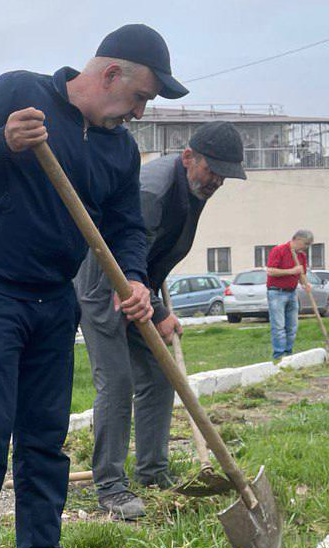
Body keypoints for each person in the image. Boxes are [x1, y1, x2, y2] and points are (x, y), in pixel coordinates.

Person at [0, 24, 186, 548]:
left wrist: (136, 280)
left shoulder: (120, 151)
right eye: (141, 96)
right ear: (110, 74)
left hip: (55, 299)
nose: (141, 113)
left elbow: (125, 229)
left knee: (45, 436)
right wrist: (0, 140)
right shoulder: (21, 93)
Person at [75, 121, 246, 519]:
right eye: (213, 170)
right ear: (189, 158)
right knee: (117, 380)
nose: (218, 180)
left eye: (225, 173)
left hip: (136, 285)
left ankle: (152, 472)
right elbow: (124, 257)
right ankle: (111, 486)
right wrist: (163, 313)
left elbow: (154, 255)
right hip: (103, 281)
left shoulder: (193, 186)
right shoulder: (152, 191)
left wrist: (157, 303)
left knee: (157, 371)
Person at [266, 229, 314, 362]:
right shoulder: (279, 250)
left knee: (292, 326)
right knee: (279, 326)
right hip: (276, 293)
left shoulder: (301, 256)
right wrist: (291, 271)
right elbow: (270, 271)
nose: (306, 247)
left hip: (292, 292)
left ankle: (288, 354)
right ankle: (279, 356)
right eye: (305, 244)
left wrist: (305, 284)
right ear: (297, 239)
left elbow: (301, 274)